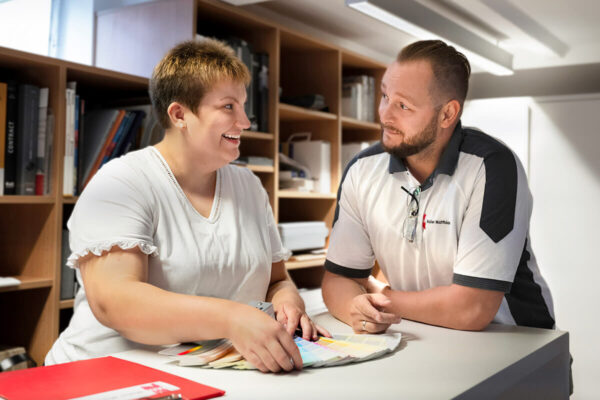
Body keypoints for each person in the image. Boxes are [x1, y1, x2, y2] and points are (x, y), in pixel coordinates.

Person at [46, 38, 328, 372]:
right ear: (180, 114)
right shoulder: (121, 182)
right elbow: (115, 302)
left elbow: (276, 280)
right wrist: (232, 318)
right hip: (101, 373)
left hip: (201, 371)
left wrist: (287, 302)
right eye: (228, 107)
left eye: (243, 107)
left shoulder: (249, 186)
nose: (245, 122)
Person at [322, 40, 555, 334]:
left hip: (518, 345)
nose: (385, 115)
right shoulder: (361, 170)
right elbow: (338, 280)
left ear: (447, 114)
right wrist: (356, 308)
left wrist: (383, 297)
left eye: (403, 105)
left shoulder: (492, 165)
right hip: (424, 335)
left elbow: (471, 309)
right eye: (384, 97)